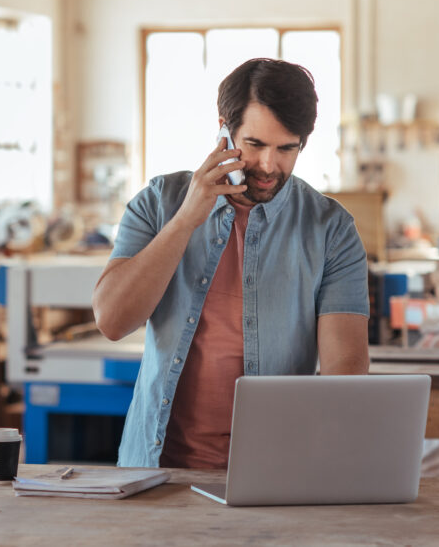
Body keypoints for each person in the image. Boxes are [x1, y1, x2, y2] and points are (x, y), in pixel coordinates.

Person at [92, 58, 370, 469]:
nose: (269, 165)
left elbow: (344, 371)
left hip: (274, 473)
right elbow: (112, 320)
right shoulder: (158, 203)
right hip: (155, 472)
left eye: (286, 148)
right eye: (255, 145)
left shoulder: (331, 230)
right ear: (224, 128)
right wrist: (187, 217)